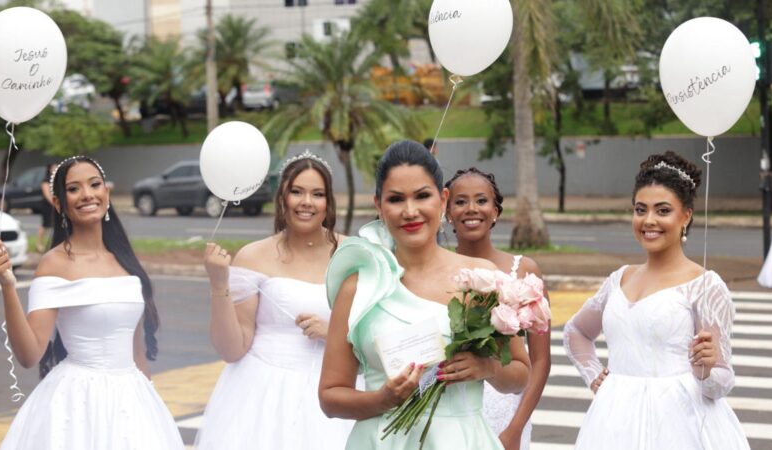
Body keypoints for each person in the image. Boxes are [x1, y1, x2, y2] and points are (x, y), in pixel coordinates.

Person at [319, 140, 530, 449]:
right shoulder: (359, 286)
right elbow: (330, 396)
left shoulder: (481, 280)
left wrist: (489, 368)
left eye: (422, 196)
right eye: (395, 199)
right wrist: (382, 399)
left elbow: (520, 374)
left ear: (443, 199)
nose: (410, 211)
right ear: (378, 205)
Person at [0, 156, 183, 450]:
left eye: (94, 184)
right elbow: (29, 354)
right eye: (74, 189)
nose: (88, 195)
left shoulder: (125, 260)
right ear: (59, 203)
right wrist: (7, 286)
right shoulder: (54, 264)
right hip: (76, 404)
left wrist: (150, 408)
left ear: (107, 192)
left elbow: (136, 354)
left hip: (132, 401)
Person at [563, 151, 750, 449]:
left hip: (680, 425)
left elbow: (722, 381)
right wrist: (595, 377)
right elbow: (576, 332)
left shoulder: (705, 286)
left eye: (662, 211)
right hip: (613, 423)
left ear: (686, 215)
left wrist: (706, 371)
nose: (649, 220)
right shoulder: (619, 279)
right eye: (640, 210)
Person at [196, 150, 353, 449]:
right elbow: (232, 349)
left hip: (332, 390)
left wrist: (334, 333)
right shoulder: (253, 256)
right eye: (297, 192)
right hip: (261, 395)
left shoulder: (353, 253)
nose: (307, 202)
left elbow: (374, 334)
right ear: (282, 197)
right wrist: (219, 284)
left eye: (317, 194)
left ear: (328, 202)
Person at [445, 167, 551, 450]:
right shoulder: (436, 270)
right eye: (460, 201)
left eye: (481, 200)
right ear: (446, 212)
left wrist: (515, 427)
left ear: (496, 211)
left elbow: (540, 361)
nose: (471, 209)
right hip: (452, 405)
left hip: (506, 408)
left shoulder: (524, 271)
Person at [36, 163, 56, 252]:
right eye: (53, 167)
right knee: (45, 224)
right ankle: (39, 243)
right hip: (48, 205)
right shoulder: (46, 180)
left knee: (54, 225)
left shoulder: (56, 180)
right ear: (49, 169)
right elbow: (47, 194)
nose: (55, 169)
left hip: (55, 204)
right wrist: (55, 203)